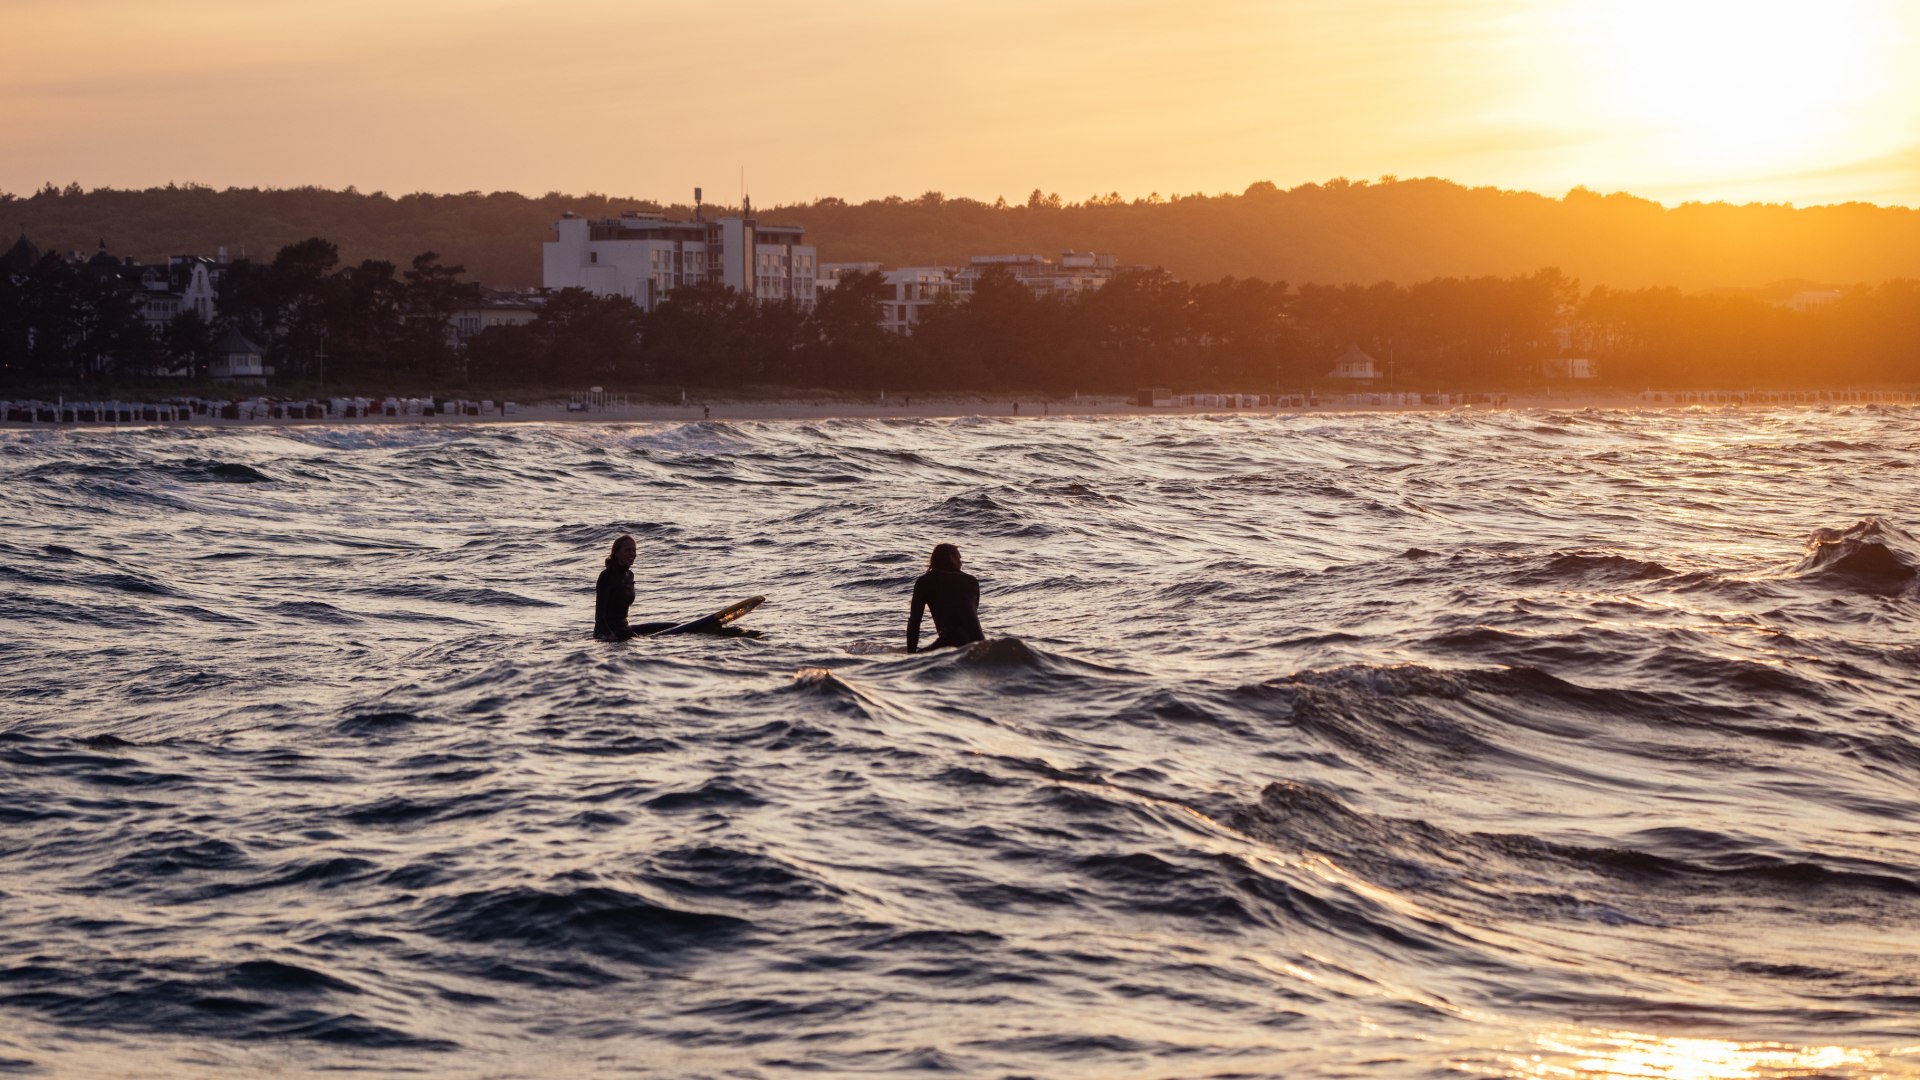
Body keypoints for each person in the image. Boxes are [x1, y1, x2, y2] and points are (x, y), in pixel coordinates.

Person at [907, 543, 984, 653]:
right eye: (958, 558)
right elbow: (970, 616)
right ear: (950, 558)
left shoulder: (925, 582)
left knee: (916, 656)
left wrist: (911, 655)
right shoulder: (971, 581)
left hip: (951, 644)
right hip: (980, 645)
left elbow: (914, 622)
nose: (961, 563)